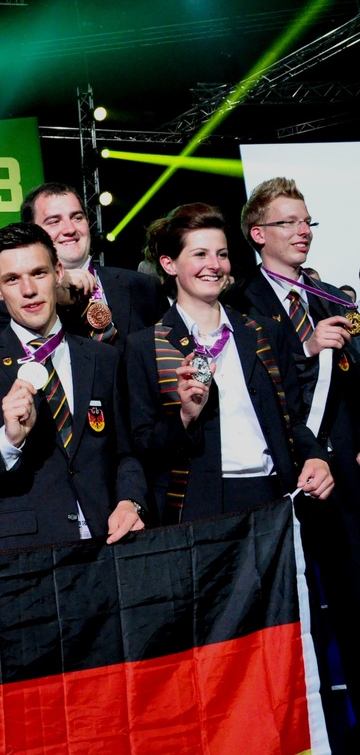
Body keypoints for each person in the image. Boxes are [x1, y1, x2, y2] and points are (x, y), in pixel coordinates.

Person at [224, 176, 360, 747]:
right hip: (285, 481)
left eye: (307, 221)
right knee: (295, 614)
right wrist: (304, 350)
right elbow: (258, 385)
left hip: (346, 481)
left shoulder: (335, 296)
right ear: (258, 234)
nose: (302, 231)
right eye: (288, 222)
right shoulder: (236, 301)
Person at [125, 202, 332, 525]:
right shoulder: (144, 346)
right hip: (198, 505)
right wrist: (185, 416)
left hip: (274, 496)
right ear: (169, 264)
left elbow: (292, 421)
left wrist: (316, 457)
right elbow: (141, 445)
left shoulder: (264, 333)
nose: (214, 265)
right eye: (200, 254)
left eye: (221, 254)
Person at [0, 222, 146, 552]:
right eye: (12, 279)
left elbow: (128, 452)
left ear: (58, 272)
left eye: (38, 273)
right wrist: (7, 441)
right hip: (22, 556)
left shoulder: (102, 358)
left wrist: (130, 501)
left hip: (107, 541)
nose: (28, 290)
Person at [0, 183, 168, 349]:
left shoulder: (142, 286)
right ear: (32, 232)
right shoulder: (1, 307)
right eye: (54, 221)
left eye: (77, 217)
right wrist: (54, 289)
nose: (70, 229)